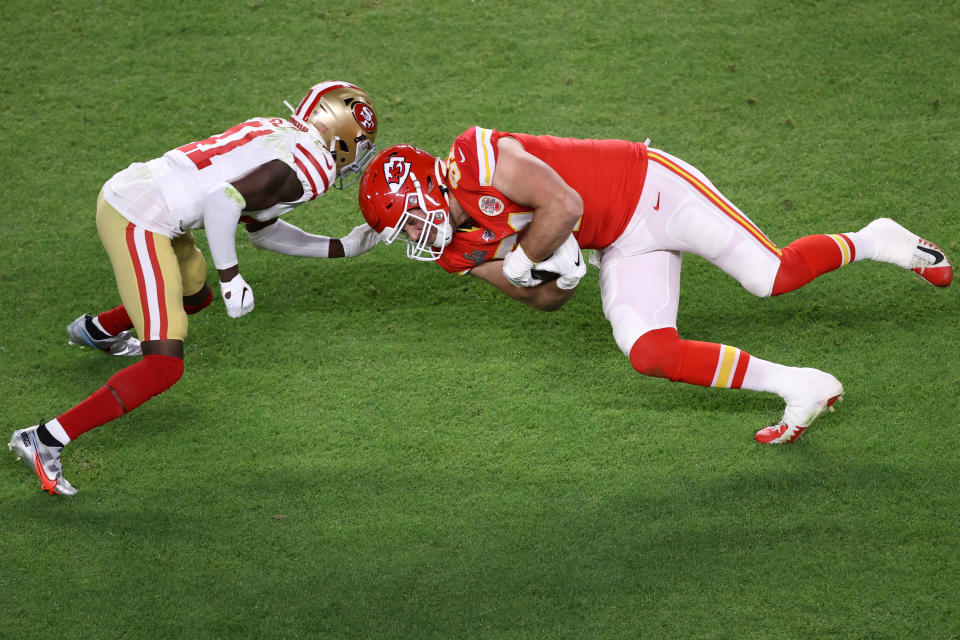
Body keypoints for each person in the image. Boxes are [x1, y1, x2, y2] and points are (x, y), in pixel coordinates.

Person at [357, 130, 953, 446]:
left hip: (652, 189)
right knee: (649, 352)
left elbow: (564, 205)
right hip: (621, 242)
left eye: (407, 216)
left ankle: (876, 239)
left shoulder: (475, 157)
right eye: (400, 231)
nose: (414, 233)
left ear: (423, 185)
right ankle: (803, 386)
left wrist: (526, 260)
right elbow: (541, 299)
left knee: (771, 276)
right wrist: (557, 278)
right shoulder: (454, 249)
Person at [10, 80, 382, 496]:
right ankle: (44, 439)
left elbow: (261, 228)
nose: (358, 155)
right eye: (360, 143)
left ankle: (99, 330)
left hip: (141, 189)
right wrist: (231, 276)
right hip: (140, 219)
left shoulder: (279, 129)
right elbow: (223, 201)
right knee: (164, 364)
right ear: (342, 134)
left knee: (192, 290)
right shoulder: (314, 167)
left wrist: (342, 247)